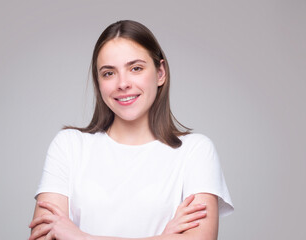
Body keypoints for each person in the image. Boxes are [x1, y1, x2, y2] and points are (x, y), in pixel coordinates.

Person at [29, 20, 233, 240]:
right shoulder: (69, 146)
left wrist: (79, 236)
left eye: (135, 68)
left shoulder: (195, 151)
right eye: (109, 73)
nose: (122, 83)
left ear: (160, 72)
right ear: (98, 82)